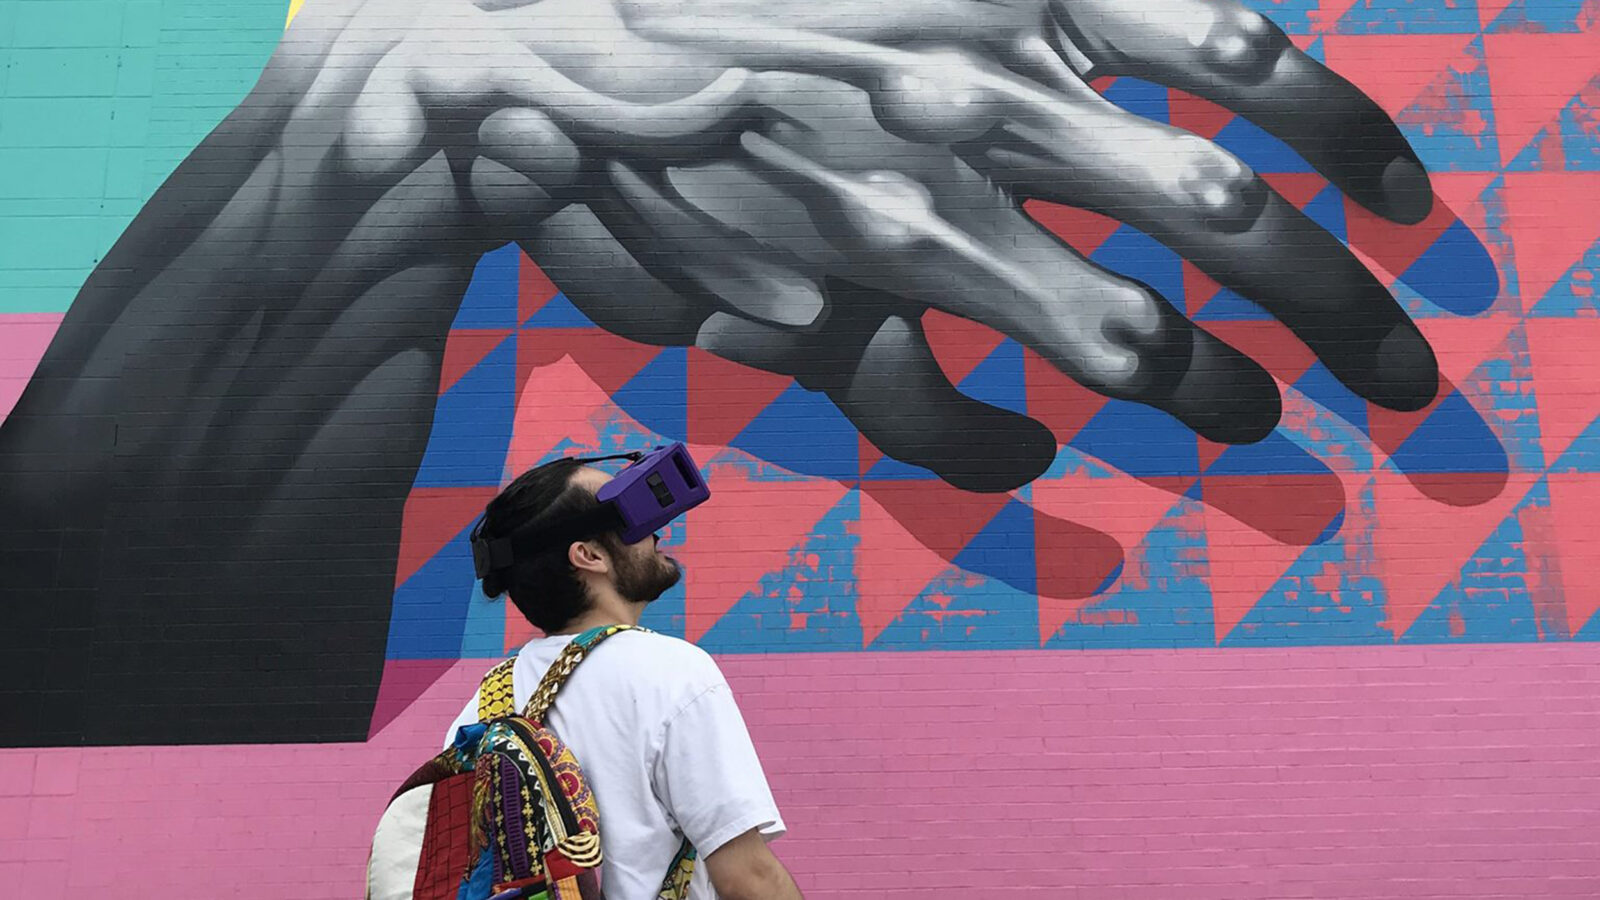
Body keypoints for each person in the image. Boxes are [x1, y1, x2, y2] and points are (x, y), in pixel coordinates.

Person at [442, 455, 804, 900]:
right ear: (589, 555)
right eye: (628, 516)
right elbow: (748, 877)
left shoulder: (482, 707)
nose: (655, 531)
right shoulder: (670, 671)